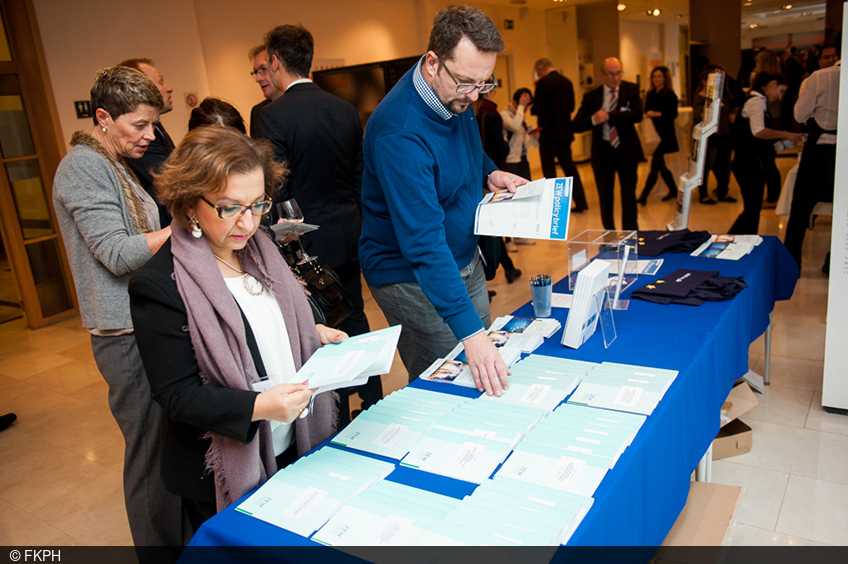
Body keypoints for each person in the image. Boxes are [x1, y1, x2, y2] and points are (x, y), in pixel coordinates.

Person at [128, 126, 342, 536]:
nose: (249, 222)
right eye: (230, 208)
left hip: (294, 440)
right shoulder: (159, 284)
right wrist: (259, 407)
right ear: (190, 203)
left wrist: (313, 334)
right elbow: (177, 394)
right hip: (223, 469)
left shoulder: (262, 251)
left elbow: (260, 326)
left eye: (258, 204)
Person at [359, 5, 526, 395]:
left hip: (462, 259)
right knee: (451, 383)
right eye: (467, 82)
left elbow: (466, 150)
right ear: (432, 63)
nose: (474, 95)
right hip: (411, 275)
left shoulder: (455, 94)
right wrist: (471, 334)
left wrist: (489, 171)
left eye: (485, 84)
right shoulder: (398, 133)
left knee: (485, 368)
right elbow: (423, 244)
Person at [52, 66, 180, 553]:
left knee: (167, 446)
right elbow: (117, 252)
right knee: (149, 456)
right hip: (122, 335)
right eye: (140, 125)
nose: (151, 135)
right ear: (103, 117)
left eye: (153, 124)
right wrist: (187, 224)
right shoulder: (82, 166)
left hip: (142, 321)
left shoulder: (115, 162)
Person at [256, 24, 379, 425]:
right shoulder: (344, 109)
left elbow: (274, 187)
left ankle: (335, 412)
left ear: (275, 62)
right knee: (354, 310)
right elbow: (361, 176)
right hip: (348, 231)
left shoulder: (272, 116)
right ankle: (373, 394)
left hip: (302, 242)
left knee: (317, 324)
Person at [784, 48, 839, 270]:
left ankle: (790, 265)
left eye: (831, 56)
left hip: (822, 150)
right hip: (836, 149)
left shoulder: (819, 78)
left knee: (800, 209)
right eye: (825, 56)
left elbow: (799, 114)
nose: (830, 60)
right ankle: (834, 262)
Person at [573, 57, 644, 231]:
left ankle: (630, 235)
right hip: (603, 153)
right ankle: (610, 236)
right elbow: (576, 125)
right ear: (602, 75)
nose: (616, 78)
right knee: (605, 199)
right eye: (611, 74)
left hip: (627, 151)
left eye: (619, 73)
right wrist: (593, 119)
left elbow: (638, 115)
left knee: (629, 197)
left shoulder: (631, 90)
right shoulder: (592, 97)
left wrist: (611, 115)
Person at [728, 72, 804, 235]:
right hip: (748, 165)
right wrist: (786, 134)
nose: (779, 97)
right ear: (773, 84)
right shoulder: (756, 102)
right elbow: (758, 131)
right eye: (781, 91)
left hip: (748, 163)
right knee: (752, 210)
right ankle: (731, 243)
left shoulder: (755, 101)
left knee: (752, 210)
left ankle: (737, 243)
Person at [119, 58, 175, 227]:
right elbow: (170, 176)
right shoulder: (136, 137)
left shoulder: (157, 128)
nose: (169, 88)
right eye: (160, 82)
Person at [531, 58, 588, 212]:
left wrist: (532, 108)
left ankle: (554, 206)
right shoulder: (567, 81)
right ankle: (581, 201)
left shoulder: (543, 83)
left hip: (548, 134)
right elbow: (571, 106)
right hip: (564, 132)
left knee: (550, 171)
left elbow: (538, 108)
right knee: (570, 169)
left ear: (542, 68)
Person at [477, 88, 521, 284]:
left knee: (488, 226)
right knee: (492, 228)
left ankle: (505, 267)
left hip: (483, 175)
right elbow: (502, 149)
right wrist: (506, 139)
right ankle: (505, 267)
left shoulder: (477, 114)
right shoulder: (493, 116)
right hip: (493, 172)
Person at [693, 65, 739, 204]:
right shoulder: (700, 98)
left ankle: (723, 192)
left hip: (725, 135)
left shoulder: (722, 96)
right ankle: (704, 194)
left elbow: (729, 114)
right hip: (710, 138)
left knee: (725, 166)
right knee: (706, 166)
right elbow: (699, 117)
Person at [637, 66, 680, 205]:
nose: (656, 79)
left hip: (665, 135)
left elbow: (672, 114)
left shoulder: (670, 95)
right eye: (654, 76)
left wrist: (657, 113)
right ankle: (674, 190)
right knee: (660, 165)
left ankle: (644, 195)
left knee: (655, 165)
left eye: (659, 76)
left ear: (665, 78)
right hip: (654, 134)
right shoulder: (650, 94)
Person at [248, 46, 282, 138]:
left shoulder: (300, 107)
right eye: (256, 72)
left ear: (277, 65)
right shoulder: (257, 112)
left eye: (263, 69)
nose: (258, 79)